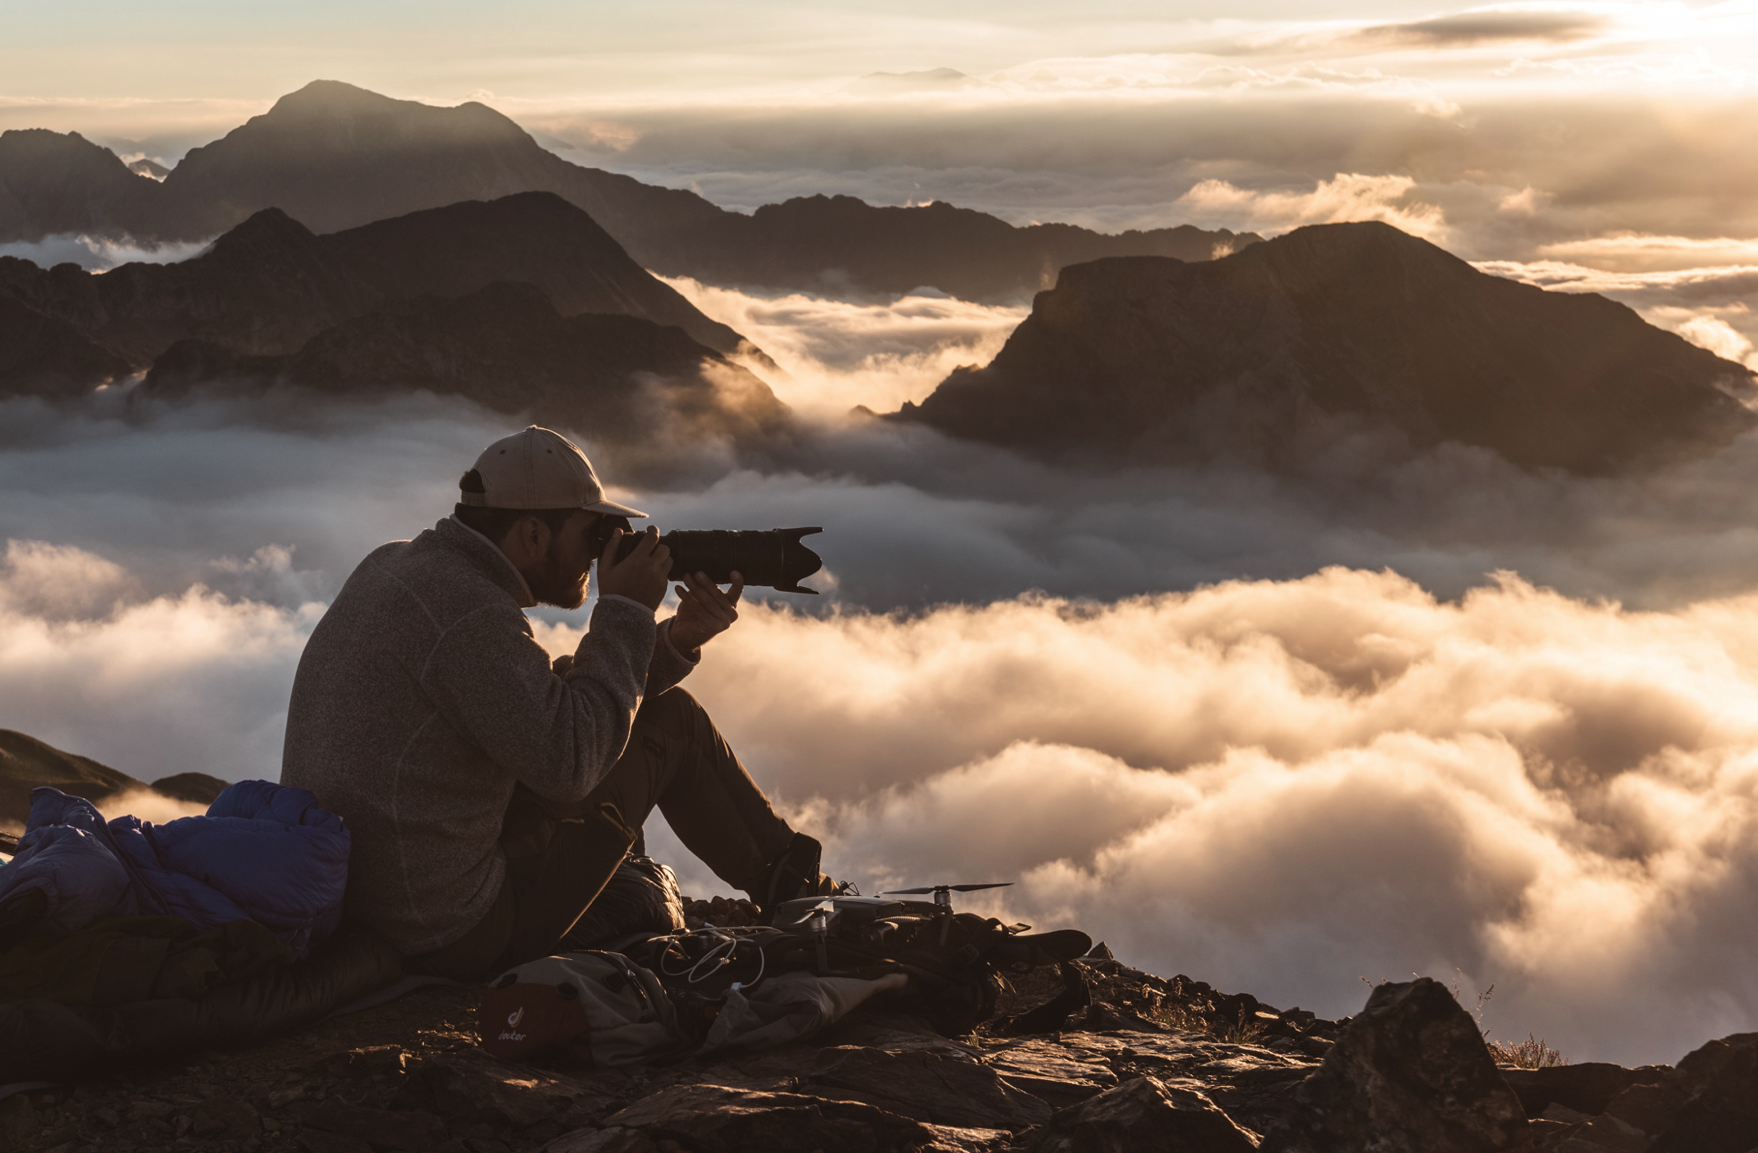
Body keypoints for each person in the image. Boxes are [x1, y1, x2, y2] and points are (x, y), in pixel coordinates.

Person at [280, 425, 835, 979]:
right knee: (673, 724)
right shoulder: (469, 616)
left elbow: (539, 707)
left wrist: (673, 640)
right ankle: (811, 905)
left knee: (640, 729)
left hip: (368, 903)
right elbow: (572, 762)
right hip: (448, 931)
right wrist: (627, 612)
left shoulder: (400, 567)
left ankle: (794, 889)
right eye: (592, 534)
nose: (597, 558)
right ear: (533, 535)